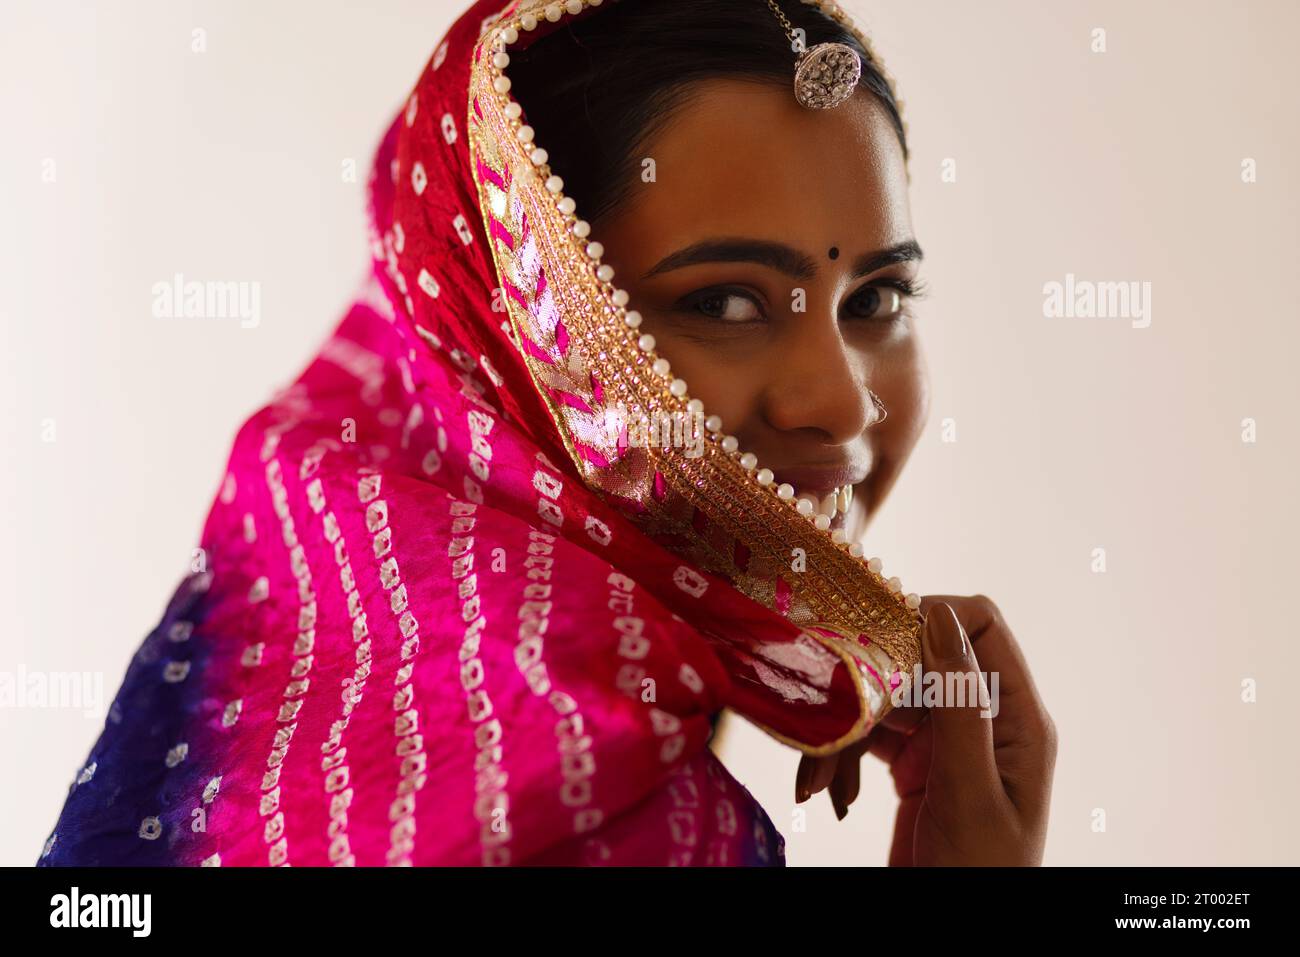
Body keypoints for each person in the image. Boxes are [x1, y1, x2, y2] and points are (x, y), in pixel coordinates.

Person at [37, 0, 1055, 867]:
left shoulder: (294, 648)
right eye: (728, 304)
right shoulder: (639, 829)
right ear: (513, 331)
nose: (840, 403)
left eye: (876, 297)